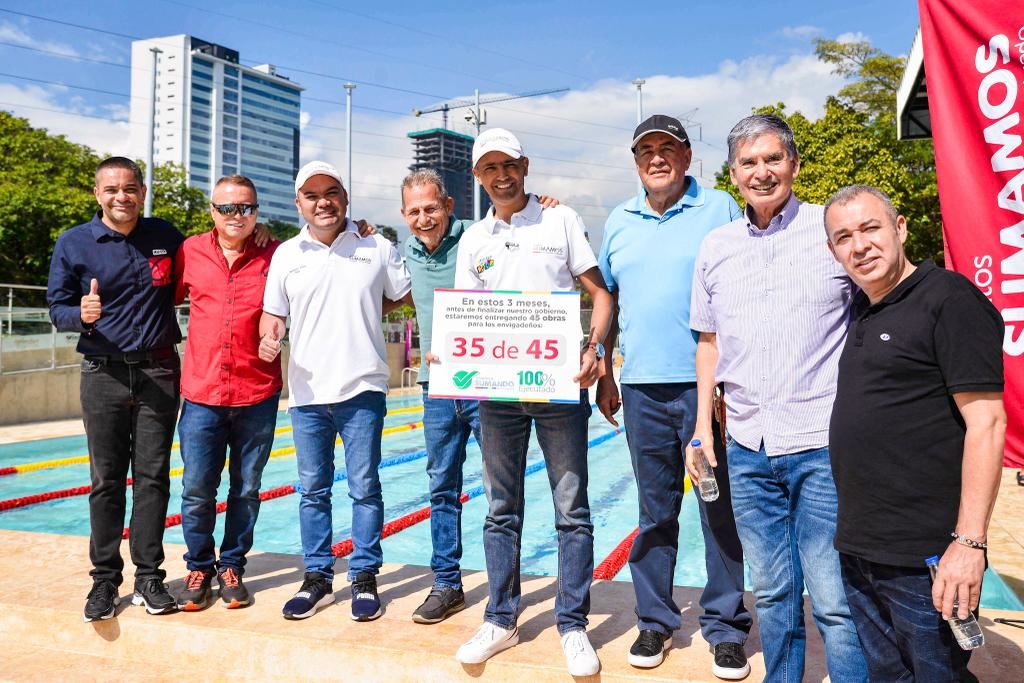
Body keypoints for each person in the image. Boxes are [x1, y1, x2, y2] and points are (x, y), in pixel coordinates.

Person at [688, 114, 867, 682]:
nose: (761, 172)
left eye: (772, 159)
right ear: (733, 173)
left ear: (793, 163)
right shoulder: (715, 247)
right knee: (771, 594)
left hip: (821, 443)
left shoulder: (828, 230)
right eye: (748, 162)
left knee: (835, 600)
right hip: (746, 445)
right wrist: (701, 429)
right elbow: (708, 344)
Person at [824, 185, 1005, 681]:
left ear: (900, 228)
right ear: (833, 250)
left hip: (926, 555)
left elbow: (987, 424)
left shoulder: (949, 299)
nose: (859, 246)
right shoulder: (864, 307)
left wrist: (968, 545)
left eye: (870, 228)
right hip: (863, 547)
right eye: (844, 237)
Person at [450, 128, 613, 677]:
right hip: (497, 398)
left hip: (559, 389)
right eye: (489, 167)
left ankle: (572, 625)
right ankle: (501, 617)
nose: (501, 175)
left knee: (572, 511)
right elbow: (466, 316)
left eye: (509, 164)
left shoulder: (560, 220)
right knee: (501, 511)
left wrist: (595, 349)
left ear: (525, 164)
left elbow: (600, 293)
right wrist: (450, 357)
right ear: (477, 176)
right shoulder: (473, 240)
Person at [596, 114, 752, 679]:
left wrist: (736, 383)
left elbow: (742, 291)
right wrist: (606, 372)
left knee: (717, 508)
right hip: (640, 387)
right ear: (636, 161)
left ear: (688, 157)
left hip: (705, 387)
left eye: (668, 149)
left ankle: (726, 626)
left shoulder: (719, 209)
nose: (656, 159)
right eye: (646, 151)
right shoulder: (618, 220)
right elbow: (608, 300)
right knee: (654, 512)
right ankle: (655, 621)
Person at [399, 170, 559, 624]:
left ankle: (503, 590)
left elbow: (519, 236)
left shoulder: (477, 235)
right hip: (436, 388)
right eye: (414, 211)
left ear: (449, 205)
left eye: (431, 208)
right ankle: (446, 583)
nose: (424, 218)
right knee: (441, 487)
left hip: (484, 386)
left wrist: (540, 207)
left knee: (500, 491)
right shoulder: (403, 252)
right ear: (403, 215)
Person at [259, 160, 411, 622]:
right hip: (306, 393)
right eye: (311, 194)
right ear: (298, 203)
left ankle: (364, 578)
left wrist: (369, 305)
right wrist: (270, 336)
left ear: (345, 196)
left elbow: (405, 293)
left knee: (365, 488)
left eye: (331, 192)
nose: (322, 201)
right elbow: (273, 315)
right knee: (313, 491)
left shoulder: (376, 244)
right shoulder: (286, 253)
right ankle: (318, 578)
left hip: (363, 387)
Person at [48, 156, 184, 621]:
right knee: (106, 482)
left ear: (142, 192)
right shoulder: (74, 242)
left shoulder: (165, 236)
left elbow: (216, 251)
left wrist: (260, 233)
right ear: (97, 194)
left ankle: (149, 577)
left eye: (130, 188)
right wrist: (77, 315)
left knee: (152, 478)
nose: (121, 196)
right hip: (101, 372)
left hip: (160, 372)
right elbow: (56, 305)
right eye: (111, 189)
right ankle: (105, 581)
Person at [172, 175, 282, 610]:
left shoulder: (277, 253)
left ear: (257, 211)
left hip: (257, 391)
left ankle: (232, 564)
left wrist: (361, 228)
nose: (237, 216)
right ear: (212, 211)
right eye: (227, 208)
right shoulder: (189, 251)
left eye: (247, 208)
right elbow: (157, 297)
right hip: (201, 392)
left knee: (247, 488)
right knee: (197, 488)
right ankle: (199, 564)